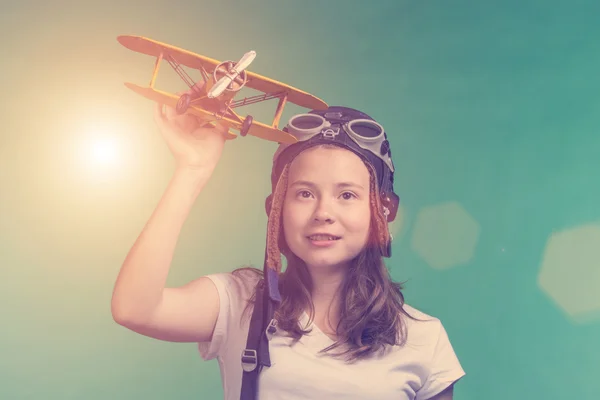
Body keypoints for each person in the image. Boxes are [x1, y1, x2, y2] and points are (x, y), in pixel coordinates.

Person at [111, 101, 466, 400]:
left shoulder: (422, 336)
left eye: (347, 195)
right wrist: (192, 169)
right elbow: (134, 309)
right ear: (277, 210)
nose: (323, 213)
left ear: (382, 211)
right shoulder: (241, 304)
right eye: (305, 193)